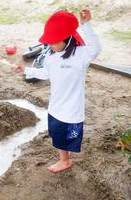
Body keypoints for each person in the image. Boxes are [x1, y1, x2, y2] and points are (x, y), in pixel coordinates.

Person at [15, 9, 101, 173]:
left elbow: (96, 49)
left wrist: (86, 25)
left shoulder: (80, 54)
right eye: (49, 42)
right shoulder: (50, 55)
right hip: (55, 107)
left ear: (67, 38)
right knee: (57, 136)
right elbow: (46, 73)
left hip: (72, 109)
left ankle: (66, 160)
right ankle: (64, 160)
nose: (50, 45)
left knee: (69, 137)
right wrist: (27, 70)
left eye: (54, 41)